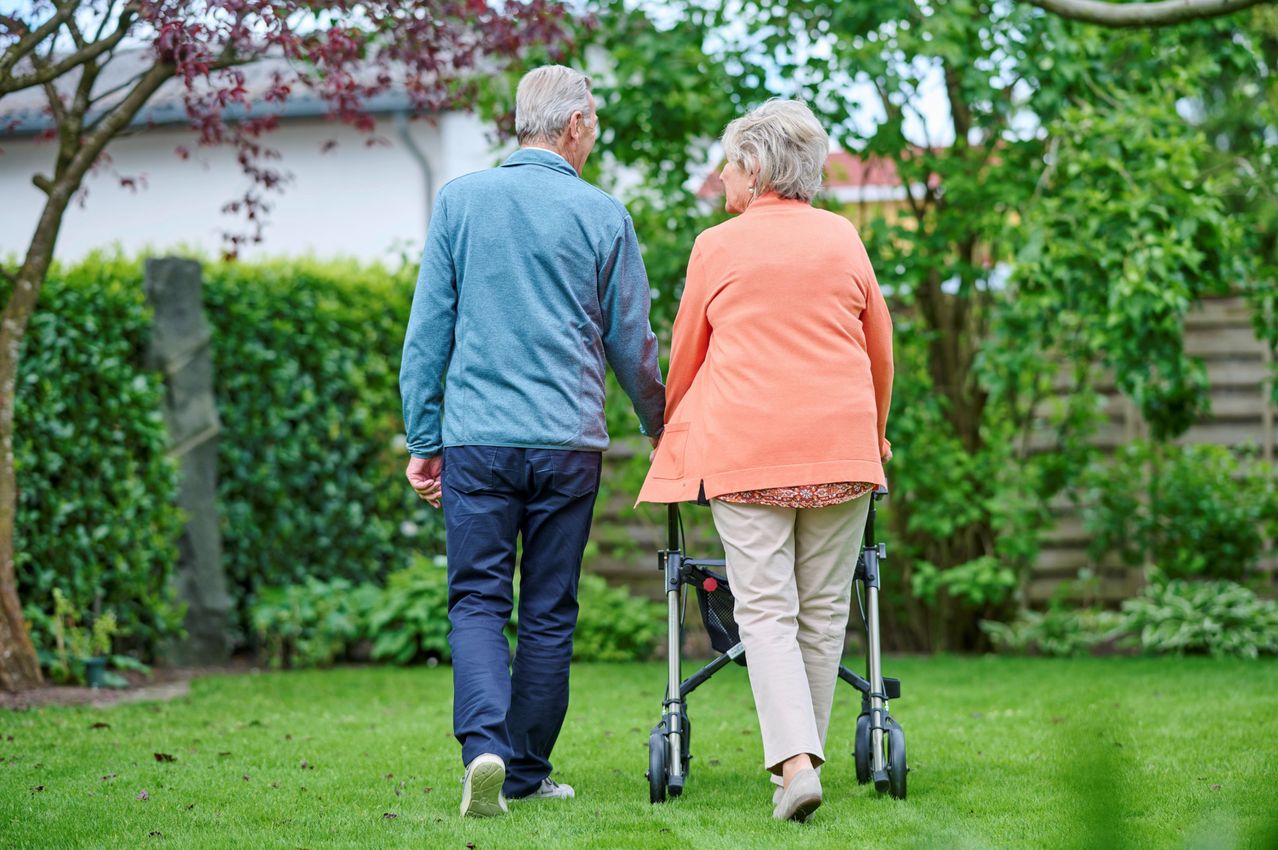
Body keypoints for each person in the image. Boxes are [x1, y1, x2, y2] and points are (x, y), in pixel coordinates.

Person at [400, 64, 665, 818]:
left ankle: (483, 747)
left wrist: (425, 436)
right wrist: (662, 426)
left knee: (478, 601)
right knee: (549, 608)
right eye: (595, 123)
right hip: (565, 444)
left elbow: (428, 335)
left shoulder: (460, 202)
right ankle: (522, 773)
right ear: (575, 124)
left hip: (478, 441)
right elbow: (631, 344)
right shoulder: (604, 214)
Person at [637, 99, 894, 822]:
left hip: (749, 453)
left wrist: (669, 427)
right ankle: (797, 768)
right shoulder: (844, 238)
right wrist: (876, 431)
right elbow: (879, 348)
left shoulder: (717, 246)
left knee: (767, 613)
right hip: (843, 451)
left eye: (727, 163)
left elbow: (686, 353)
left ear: (752, 167)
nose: (722, 177)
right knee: (820, 616)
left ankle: (795, 765)